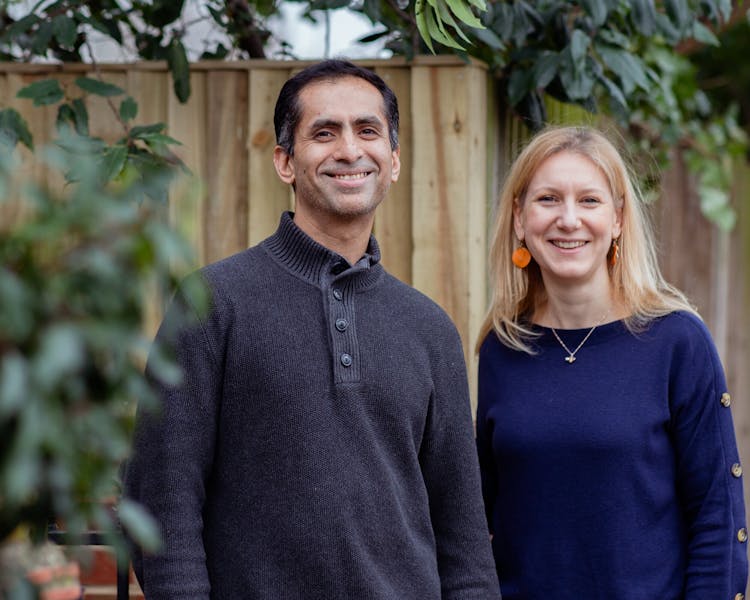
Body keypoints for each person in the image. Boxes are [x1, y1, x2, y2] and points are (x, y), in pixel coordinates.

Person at [124, 59, 500, 599]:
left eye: (367, 131)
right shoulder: (213, 303)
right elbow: (163, 501)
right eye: (324, 133)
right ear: (285, 162)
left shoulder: (429, 329)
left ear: (393, 161)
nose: (349, 150)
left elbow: (463, 538)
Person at [475, 125, 748, 599]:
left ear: (619, 218)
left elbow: (717, 521)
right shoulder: (504, 347)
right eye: (547, 199)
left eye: (589, 201)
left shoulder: (677, 342)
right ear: (519, 217)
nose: (568, 219)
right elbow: (483, 518)